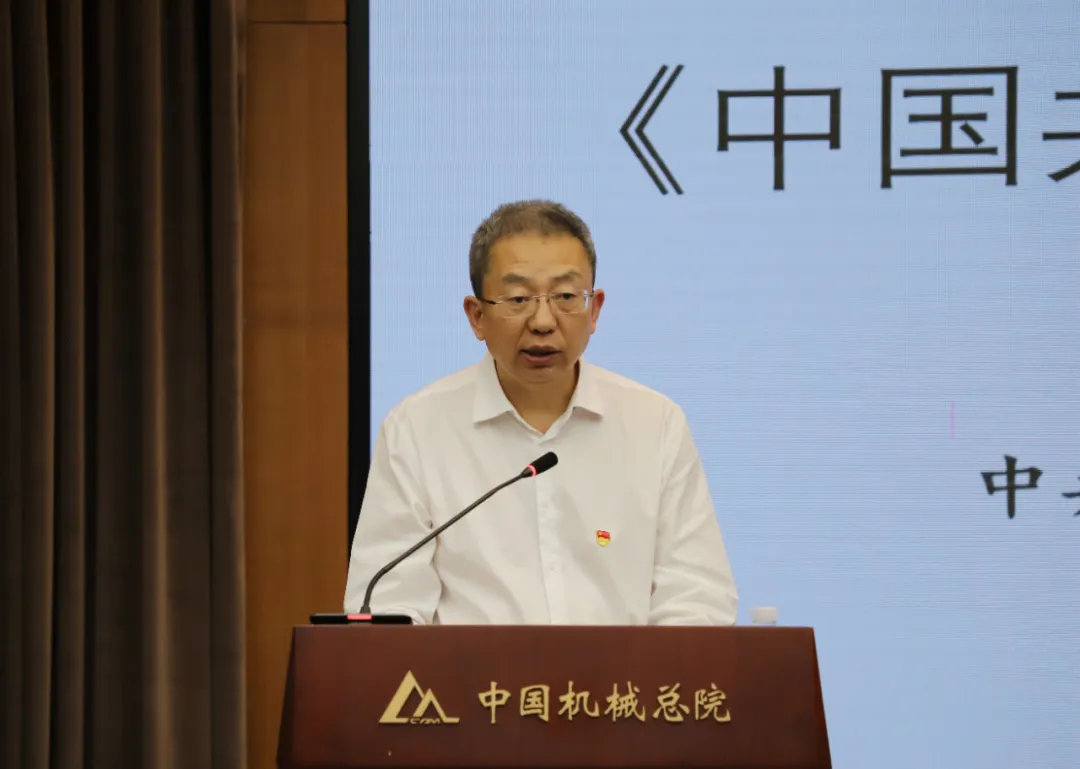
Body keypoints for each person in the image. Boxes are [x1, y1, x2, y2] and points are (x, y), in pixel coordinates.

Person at [344, 200, 738, 625]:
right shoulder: (417, 430)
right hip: (472, 672)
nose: (543, 322)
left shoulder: (654, 424)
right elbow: (388, 605)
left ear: (594, 310)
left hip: (623, 672)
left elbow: (696, 597)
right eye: (518, 298)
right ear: (477, 316)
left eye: (566, 296)